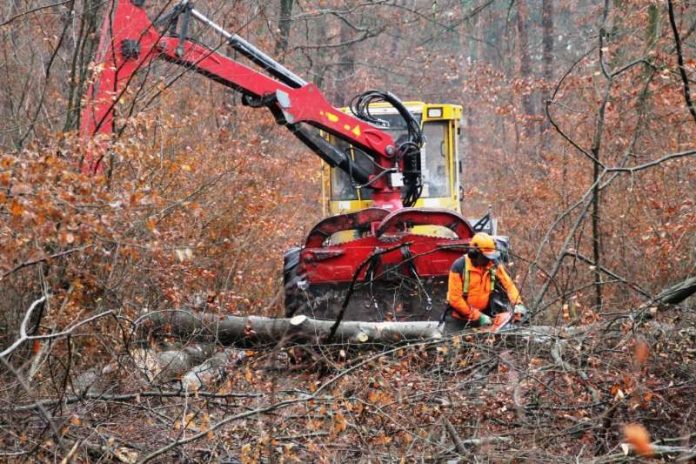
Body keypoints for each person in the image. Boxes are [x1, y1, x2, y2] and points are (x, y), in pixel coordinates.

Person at [443, 232, 526, 331]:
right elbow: (455, 299)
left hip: (483, 317)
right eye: (485, 257)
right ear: (474, 254)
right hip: (458, 319)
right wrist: (478, 316)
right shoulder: (459, 266)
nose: (488, 260)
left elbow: (508, 284)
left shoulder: (492, 264)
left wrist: (518, 303)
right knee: (451, 344)